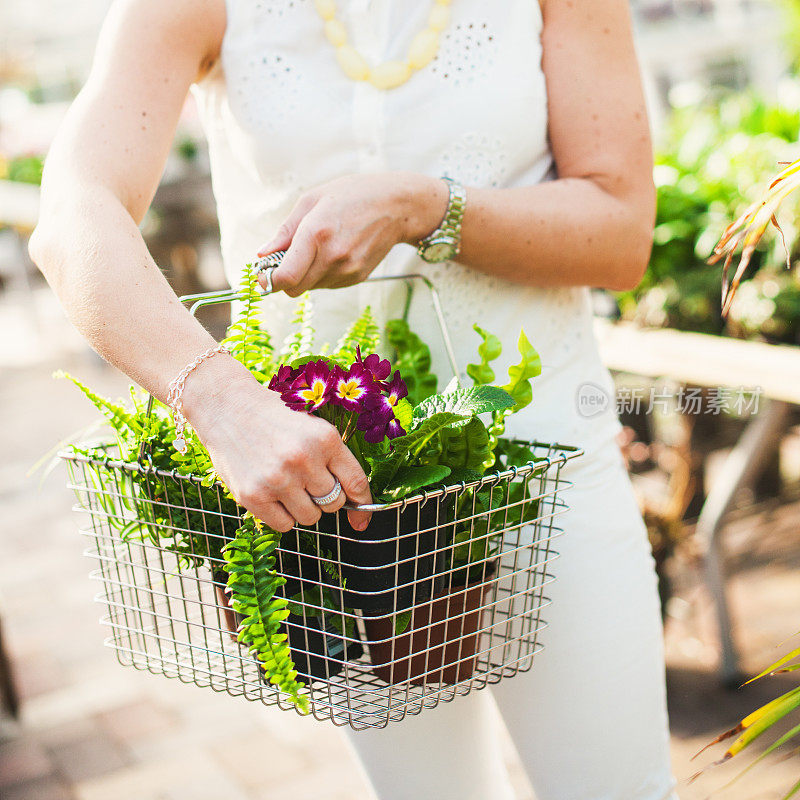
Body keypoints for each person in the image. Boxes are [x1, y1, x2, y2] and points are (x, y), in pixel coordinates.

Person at [30, 1, 676, 798]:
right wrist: (222, 402)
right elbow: (70, 212)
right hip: (341, 502)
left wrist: (425, 207)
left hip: (548, 471)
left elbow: (620, 231)